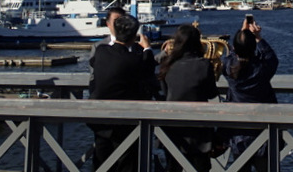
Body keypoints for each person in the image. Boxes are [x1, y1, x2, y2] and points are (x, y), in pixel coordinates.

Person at [89, 14, 158, 172]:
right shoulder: (134, 59)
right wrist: (147, 48)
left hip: (100, 119)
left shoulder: (101, 51)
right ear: (135, 36)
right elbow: (148, 68)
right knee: (127, 163)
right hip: (124, 121)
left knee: (102, 162)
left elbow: (94, 63)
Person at [221, 16, 278, 172]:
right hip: (264, 131)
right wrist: (258, 38)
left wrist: (242, 33)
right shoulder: (262, 69)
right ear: (254, 47)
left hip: (238, 131)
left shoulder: (228, 68)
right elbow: (271, 58)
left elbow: (231, 57)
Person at [158, 24, 218, 172]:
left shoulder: (168, 65)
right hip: (198, 129)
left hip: (173, 128)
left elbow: (164, 92)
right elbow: (212, 93)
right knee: (200, 167)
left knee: (173, 167)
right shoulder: (204, 65)